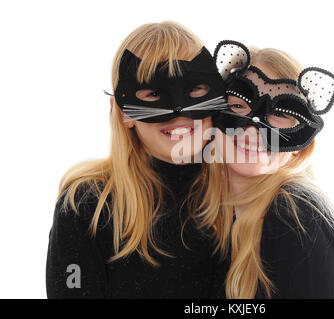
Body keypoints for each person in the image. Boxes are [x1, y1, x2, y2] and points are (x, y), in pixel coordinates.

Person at [46, 21, 228, 298]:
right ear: (123, 113)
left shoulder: (239, 195)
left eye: (195, 90)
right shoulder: (87, 205)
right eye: (154, 94)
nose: (179, 111)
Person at [188, 40, 334, 298]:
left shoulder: (295, 215)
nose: (252, 129)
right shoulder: (204, 211)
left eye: (281, 115)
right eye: (239, 105)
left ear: (300, 146)